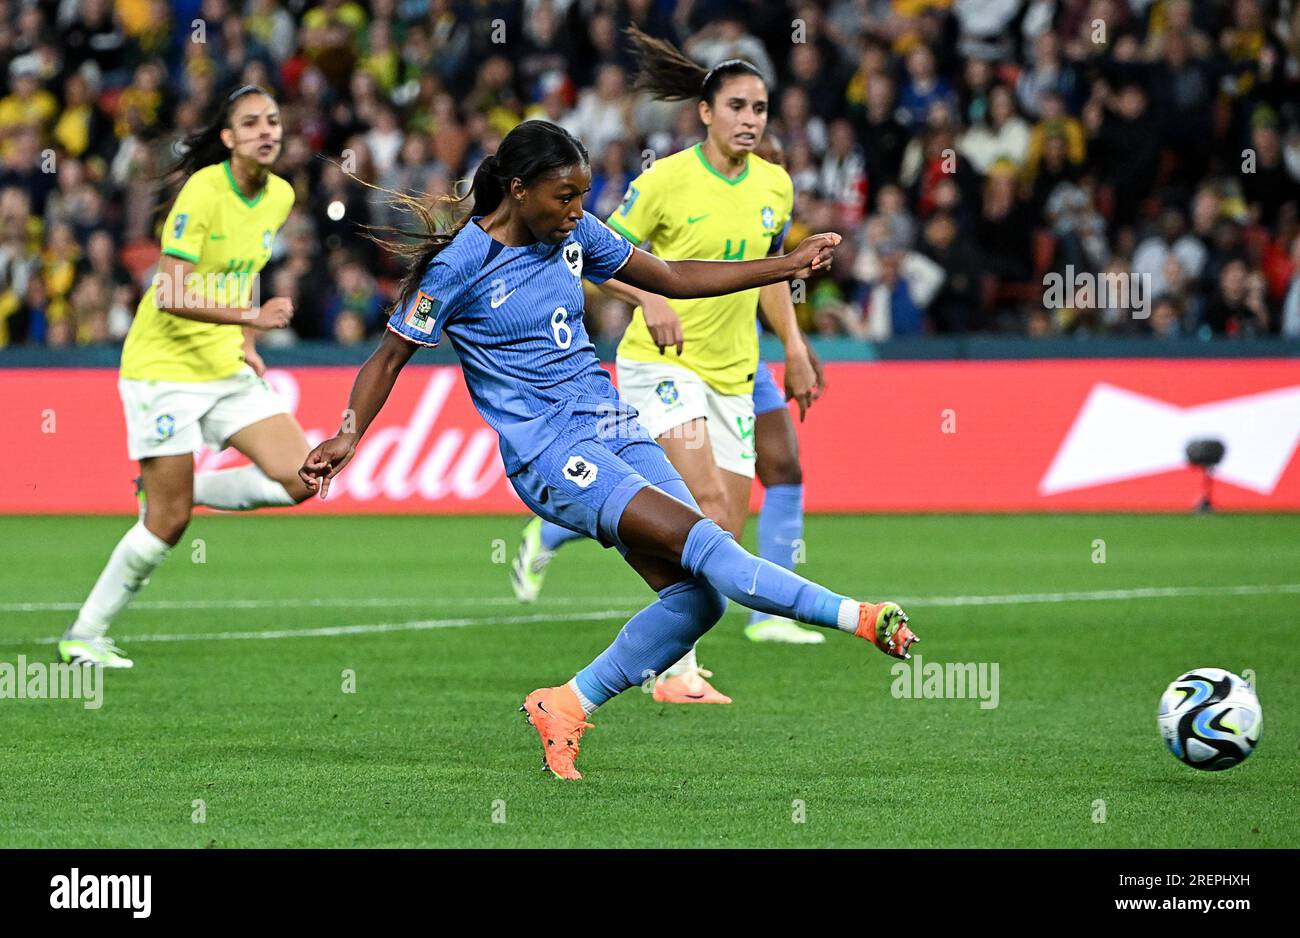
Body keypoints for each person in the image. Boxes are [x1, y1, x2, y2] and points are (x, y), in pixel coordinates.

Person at [300, 120, 918, 780]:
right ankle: (861, 616)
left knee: (699, 600)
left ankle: (565, 704)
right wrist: (348, 432)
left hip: (613, 425)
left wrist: (787, 264)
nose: (575, 212)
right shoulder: (460, 267)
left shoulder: (574, 235)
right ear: (517, 189)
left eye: (580, 197)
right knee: (712, 547)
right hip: (549, 454)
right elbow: (389, 356)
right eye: (563, 197)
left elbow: (673, 275)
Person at [508, 30, 825, 708]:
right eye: (737, 106)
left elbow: (769, 274)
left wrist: (793, 346)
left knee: (723, 531)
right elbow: (596, 258)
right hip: (663, 365)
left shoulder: (776, 183)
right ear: (705, 112)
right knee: (702, 505)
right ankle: (669, 675)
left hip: (737, 369)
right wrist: (650, 296)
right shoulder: (664, 181)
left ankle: (668, 657)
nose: (750, 120)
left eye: (761, 109)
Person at [59, 85, 310, 668]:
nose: (266, 131)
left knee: (301, 476)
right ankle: (84, 632)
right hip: (163, 369)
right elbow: (168, 291)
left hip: (223, 363)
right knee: (168, 523)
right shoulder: (203, 190)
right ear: (228, 139)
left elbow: (244, 270)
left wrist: (245, 342)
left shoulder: (280, 195)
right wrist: (253, 317)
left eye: (272, 120)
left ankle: (177, 489)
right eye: (250, 124)